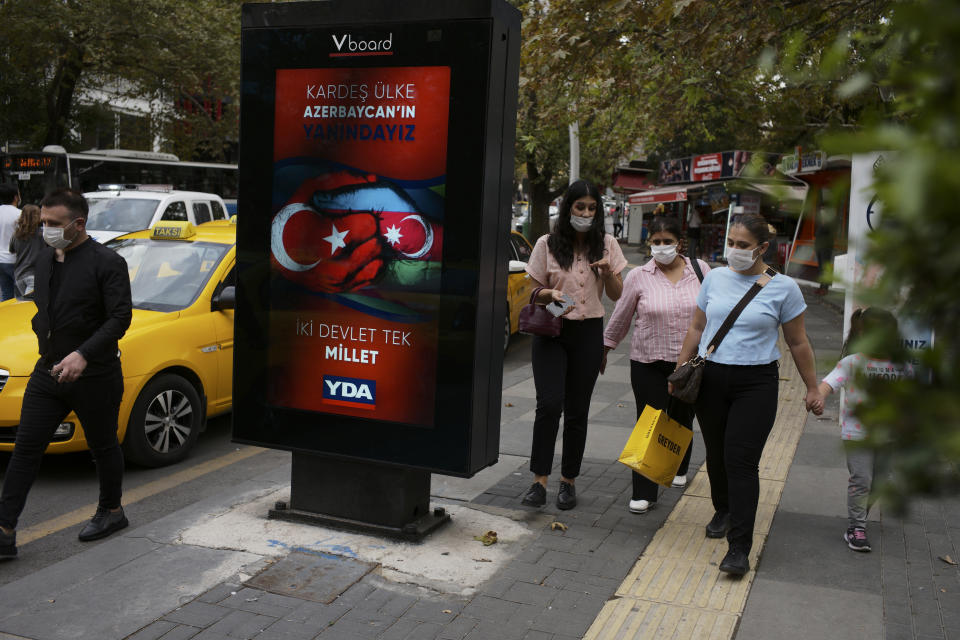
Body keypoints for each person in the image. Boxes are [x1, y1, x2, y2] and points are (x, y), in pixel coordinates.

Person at [673, 213, 822, 576]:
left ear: (762, 248)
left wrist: (813, 386)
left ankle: (739, 548)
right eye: (731, 243)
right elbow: (697, 326)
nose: (735, 251)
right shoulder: (715, 278)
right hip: (711, 379)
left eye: (743, 245)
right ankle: (722, 508)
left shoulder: (784, 288)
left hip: (756, 383)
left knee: (741, 462)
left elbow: (798, 341)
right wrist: (678, 372)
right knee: (718, 455)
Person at [0, 188, 133, 559]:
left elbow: (120, 317)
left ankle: (112, 511)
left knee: (103, 446)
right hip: (48, 373)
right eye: (43, 222)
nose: (46, 229)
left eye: (54, 224)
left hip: (96, 375)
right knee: (25, 450)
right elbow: (45, 307)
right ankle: (4, 530)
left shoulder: (107, 262)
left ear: (78, 224)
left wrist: (83, 354)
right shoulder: (45, 259)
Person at [521, 179, 627, 510]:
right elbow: (531, 292)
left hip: (588, 333)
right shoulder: (547, 243)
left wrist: (608, 273)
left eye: (592, 208)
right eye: (579, 206)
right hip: (553, 331)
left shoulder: (607, 244)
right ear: (568, 208)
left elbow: (616, 295)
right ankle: (539, 480)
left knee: (578, 411)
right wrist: (549, 295)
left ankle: (568, 481)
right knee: (549, 405)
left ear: (599, 212)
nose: (585, 213)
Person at [602, 216, 710, 514]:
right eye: (656, 241)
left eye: (667, 241)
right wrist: (606, 347)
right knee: (649, 422)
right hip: (648, 360)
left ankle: (677, 465)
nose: (661, 247)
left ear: (680, 243)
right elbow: (622, 315)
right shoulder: (639, 276)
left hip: (689, 363)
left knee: (680, 418)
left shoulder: (701, 271)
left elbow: (714, 314)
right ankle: (645, 491)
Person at [817, 307, 911, 552]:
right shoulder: (852, 363)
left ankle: (859, 518)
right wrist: (817, 397)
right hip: (857, 435)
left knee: (879, 482)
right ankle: (856, 527)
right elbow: (829, 383)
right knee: (862, 480)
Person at [8, 204, 44, 299]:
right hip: (33, 275)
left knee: (21, 306)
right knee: (30, 307)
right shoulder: (41, 234)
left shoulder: (16, 234)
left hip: (19, 275)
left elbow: (12, 250)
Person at [0, 183, 22, 301]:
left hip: (0, 260)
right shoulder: (19, 214)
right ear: (15, 197)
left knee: (6, 294)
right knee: (21, 296)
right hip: (15, 260)